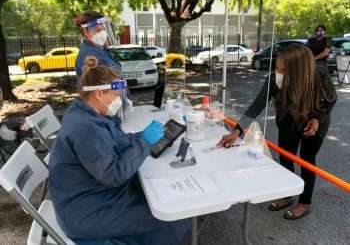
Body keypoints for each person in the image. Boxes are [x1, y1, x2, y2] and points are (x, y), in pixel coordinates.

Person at [49, 56, 189, 245]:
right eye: (115, 95)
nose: (118, 99)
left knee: (155, 198)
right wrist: (144, 143)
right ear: (99, 94)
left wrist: (141, 136)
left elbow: (116, 141)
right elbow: (113, 175)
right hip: (87, 212)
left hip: (92, 197)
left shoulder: (87, 113)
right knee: (170, 217)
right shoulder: (86, 128)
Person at [218, 44, 337, 220]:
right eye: (277, 67)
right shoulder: (274, 78)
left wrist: (317, 119)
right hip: (288, 121)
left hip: (314, 123)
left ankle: (304, 202)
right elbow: (256, 106)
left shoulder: (319, 76)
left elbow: (331, 100)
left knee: (307, 160)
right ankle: (287, 194)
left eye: (284, 70)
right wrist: (236, 131)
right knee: (286, 158)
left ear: (298, 71)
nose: (278, 73)